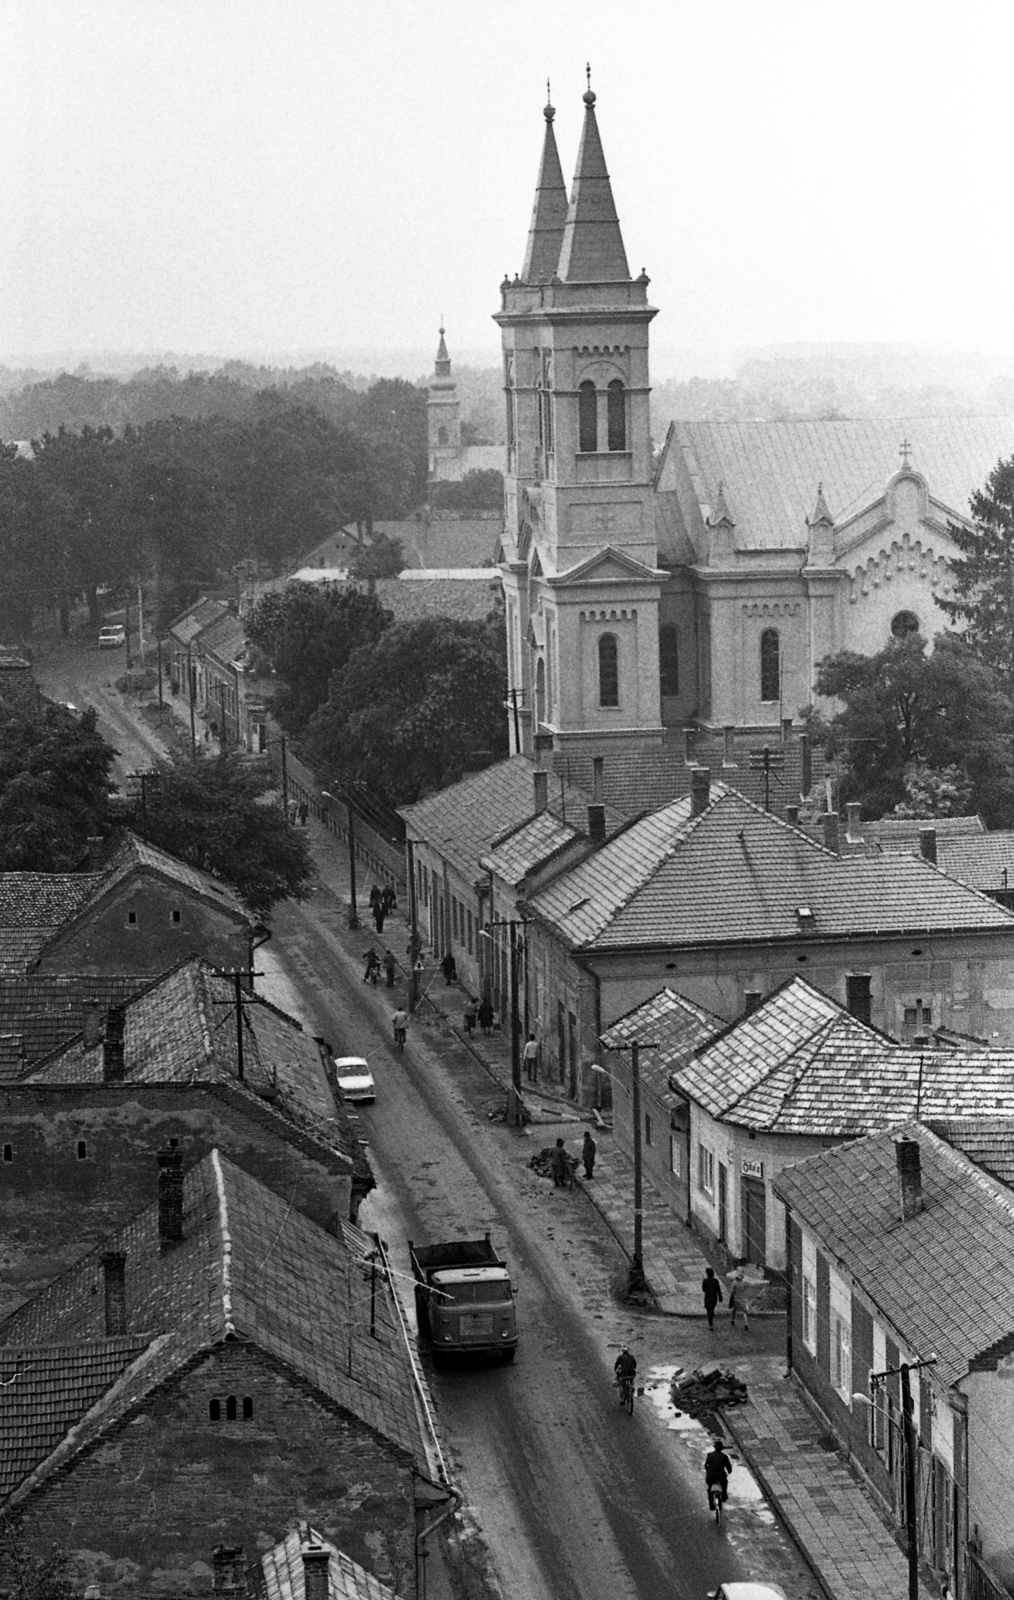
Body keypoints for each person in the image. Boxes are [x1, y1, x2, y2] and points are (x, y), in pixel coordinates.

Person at [704, 1438, 733, 1505]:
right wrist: (729, 1471)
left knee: (709, 1488)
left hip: (710, 1476)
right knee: (725, 1483)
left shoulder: (710, 1455)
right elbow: (729, 1469)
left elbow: (706, 1466)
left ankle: (711, 1503)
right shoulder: (724, 1456)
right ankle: (724, 1496)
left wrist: (709, 1470)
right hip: (720, 1476)